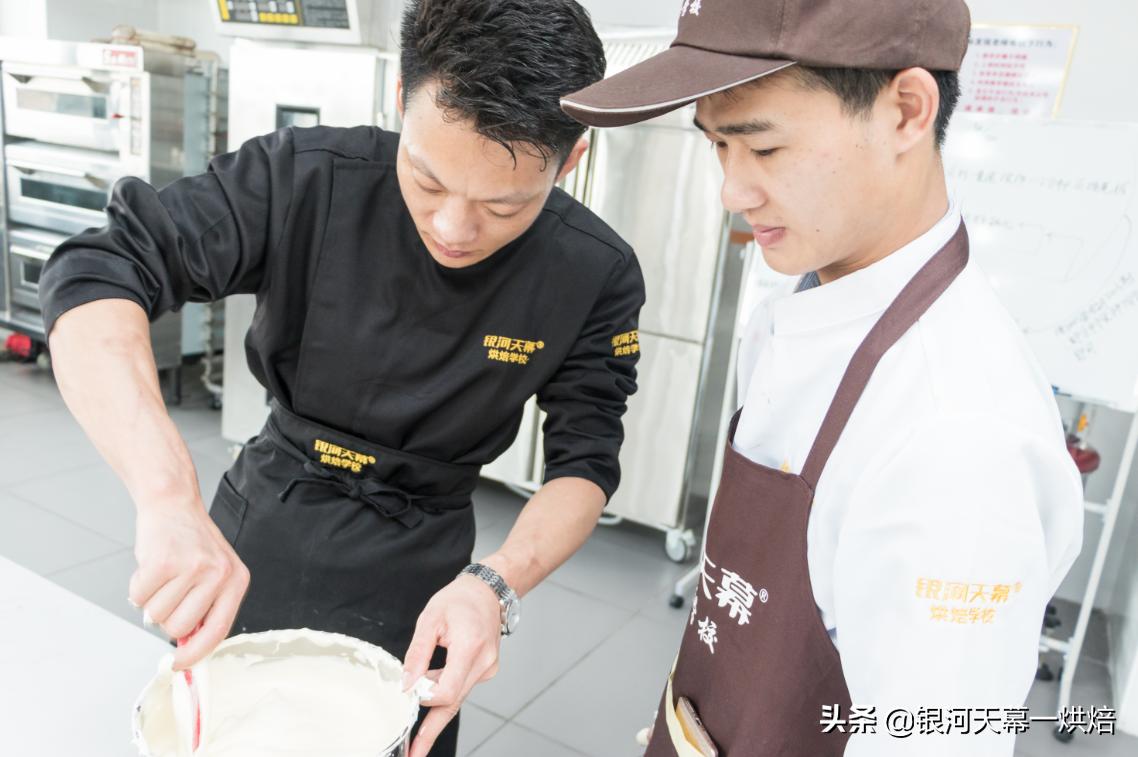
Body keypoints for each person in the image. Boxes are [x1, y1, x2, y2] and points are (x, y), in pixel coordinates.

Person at [40, 1, 643, 755]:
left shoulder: (594, 272)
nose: (453, 229)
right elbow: (97, 274)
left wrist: (496, 584)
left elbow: (585, 462)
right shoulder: (305, 177)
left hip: (424, 573)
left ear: (571, 160)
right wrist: (166, 497)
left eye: (502, 205)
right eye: (426, 179)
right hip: (262, 524)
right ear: (400, 99)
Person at [562, 0, 1083, 754]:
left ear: (906, 109)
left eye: (764, 149)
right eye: (717, 147)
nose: (732, 191)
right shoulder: (803, 300)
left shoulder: (957, 437)